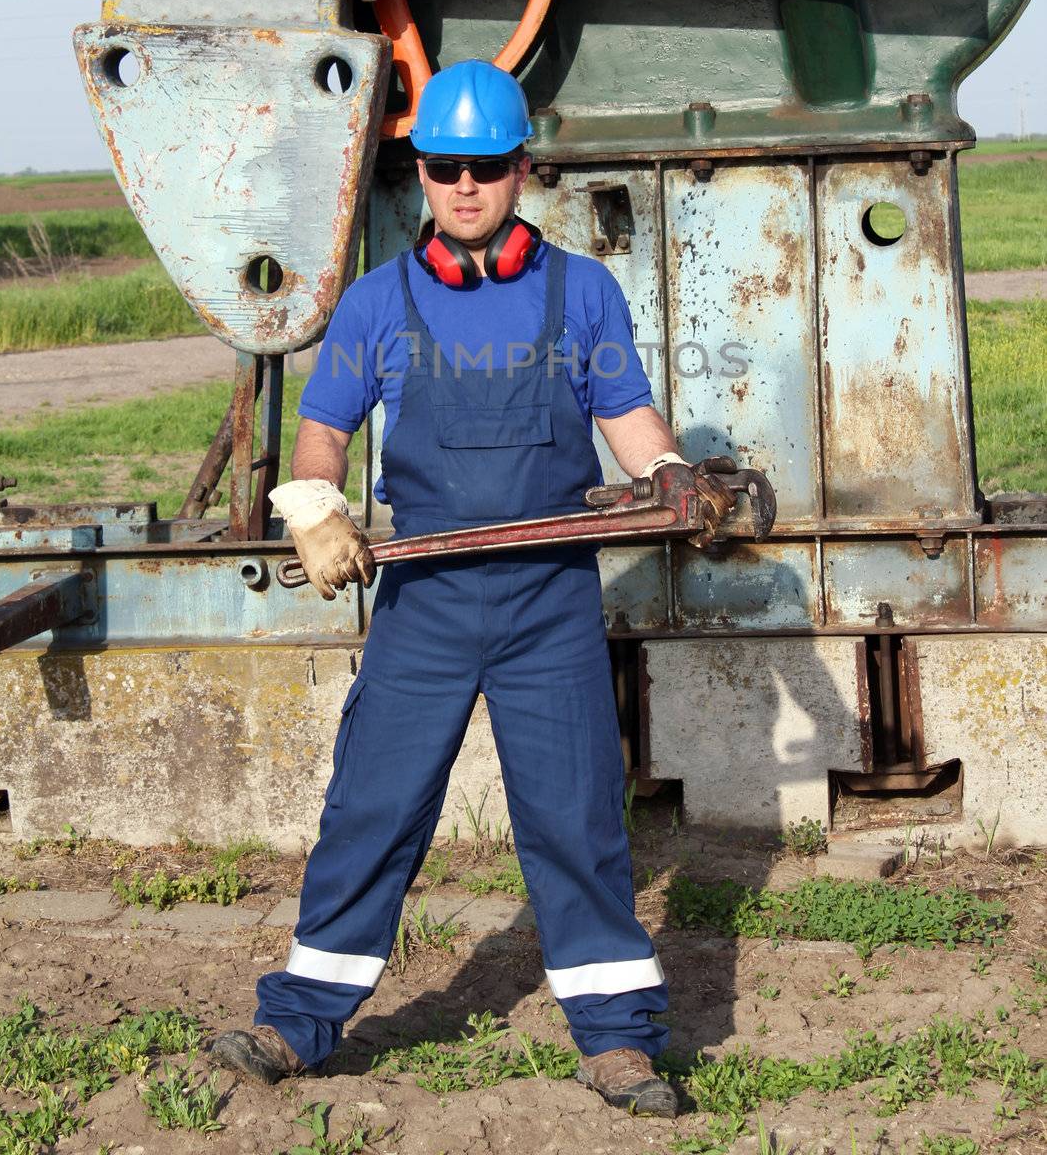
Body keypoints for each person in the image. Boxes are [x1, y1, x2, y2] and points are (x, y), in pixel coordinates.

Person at [211, 60, 734, 1116]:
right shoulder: (377, 301)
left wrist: (667, 472)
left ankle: (617, 1042)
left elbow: (626, 412)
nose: (464, 186)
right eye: (445, 168)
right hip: (428, 603)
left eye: (485, 168)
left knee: (575, 817)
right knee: (371, 807)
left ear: (519, 170)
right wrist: (315, 507)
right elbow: (324, 428)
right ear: (420, 172)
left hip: (547, 598)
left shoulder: (580, 290)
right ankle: (297, 1019)